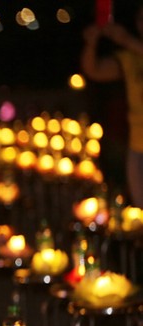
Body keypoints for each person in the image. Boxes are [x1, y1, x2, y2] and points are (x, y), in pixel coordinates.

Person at [81, 4, 143, 208]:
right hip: (137, 145)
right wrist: (92, 42)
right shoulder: (130, 58)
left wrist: (125, 39)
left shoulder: (134, 48)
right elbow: (95, 70)